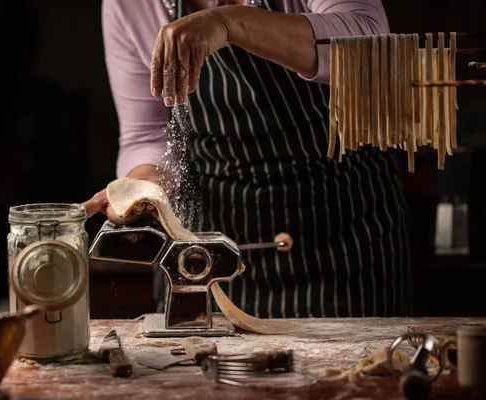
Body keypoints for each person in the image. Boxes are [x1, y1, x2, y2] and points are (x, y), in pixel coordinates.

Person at [84, 0, 411, 318]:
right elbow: (149, 134)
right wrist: (145, 190)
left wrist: (229, 22)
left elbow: (370, 40)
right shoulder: (128, 4)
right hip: (210, 256)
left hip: (342, 242)